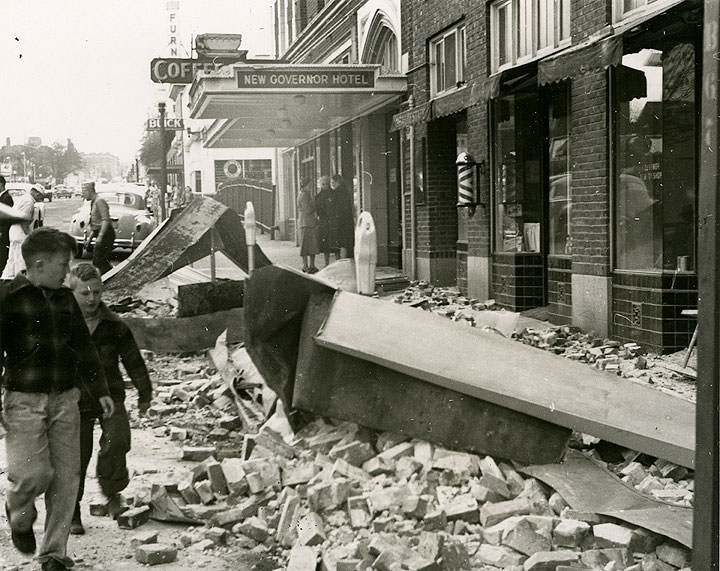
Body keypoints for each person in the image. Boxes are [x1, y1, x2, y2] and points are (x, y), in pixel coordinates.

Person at [0, 227, 113, 571]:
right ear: (38, 263)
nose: (67, 271)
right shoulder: (8, 297)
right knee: (32, 476)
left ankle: (53, 554)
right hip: (23, 402)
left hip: (67, 399)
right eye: (63, 265)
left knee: (66, 478)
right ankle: (19, 515)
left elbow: (84, 347)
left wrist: (102, 390)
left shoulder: (66, 300)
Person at [68, 263, 153, 535]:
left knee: (117, 440)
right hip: (75, 400)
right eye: (85, 293)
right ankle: (71, 510)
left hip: (110, 395)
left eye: (97, 292)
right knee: (75, 456)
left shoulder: (115, 325)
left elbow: (133, 361)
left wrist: (144, 393)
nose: (92, 299)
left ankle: (113, 494)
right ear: (72, 294)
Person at [1, 185, 43, 279]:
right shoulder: (29, 202)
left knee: (12, 259)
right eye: (40, 195)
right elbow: (23, 221)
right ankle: (20, 280)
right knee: (20, 259)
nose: (40, 198)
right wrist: (29, 236)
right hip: (20, 234)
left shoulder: (24, 198)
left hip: (14, 232)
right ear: (35, 192)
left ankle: (7, 278)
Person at [81, 182, 115, 274]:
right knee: (98, 261)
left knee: (99, 261)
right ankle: (110, 277)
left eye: (83, 192)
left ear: (89, 191)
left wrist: (100, 237)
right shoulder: (94, 201)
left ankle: (111, 277)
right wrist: (90, 239)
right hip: (100, 233)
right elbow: (95, 223)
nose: (82, 194)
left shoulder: (100, 201)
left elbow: (105, 220)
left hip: (106, 234)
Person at [296, 178, 320, 273]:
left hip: (307, 223)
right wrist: (314, 203)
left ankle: (310, 265)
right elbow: (308, 209)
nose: (311, 187)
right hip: (306, 223)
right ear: (305, 185)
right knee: (307, 245)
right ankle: (307, 265)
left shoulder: (304, 194)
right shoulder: (305, 195)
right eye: (309, 185)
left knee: (310, 245)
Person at [0, 175, 15, 274]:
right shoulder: (3, 197)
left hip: (2, 234)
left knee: (2, 256)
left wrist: (1, 232)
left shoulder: (6, 198)